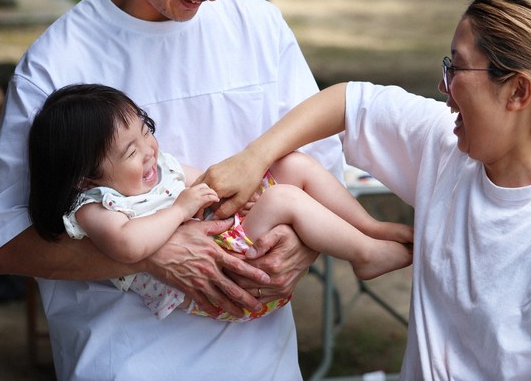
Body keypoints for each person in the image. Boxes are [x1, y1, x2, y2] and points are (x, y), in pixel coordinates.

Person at [0, 0, 345, 380]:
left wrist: (301, 245)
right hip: (126, 361)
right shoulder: (59, 62)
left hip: (262, 361)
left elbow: (320, 164)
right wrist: (151, 254)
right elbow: (8, 244)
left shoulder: (259, 26)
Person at [201, 0, 531, 380]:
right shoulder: (450, 150)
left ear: (518, 91)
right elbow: (348, 104)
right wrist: (253, 158)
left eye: (458, 69)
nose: (443, 85)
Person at [28, 84, 412, 321]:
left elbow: (204, 187)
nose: (149, 150)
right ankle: (366, 255)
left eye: (146, 131)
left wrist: (240, 199)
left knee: (292, 165)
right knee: (283, 198)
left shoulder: (159, 167)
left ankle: (369, 227)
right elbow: (127, 246)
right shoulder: (97, 206)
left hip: (227, 245)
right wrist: (181, 209)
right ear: (85, 177)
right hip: (222, 283)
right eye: (131, 151)